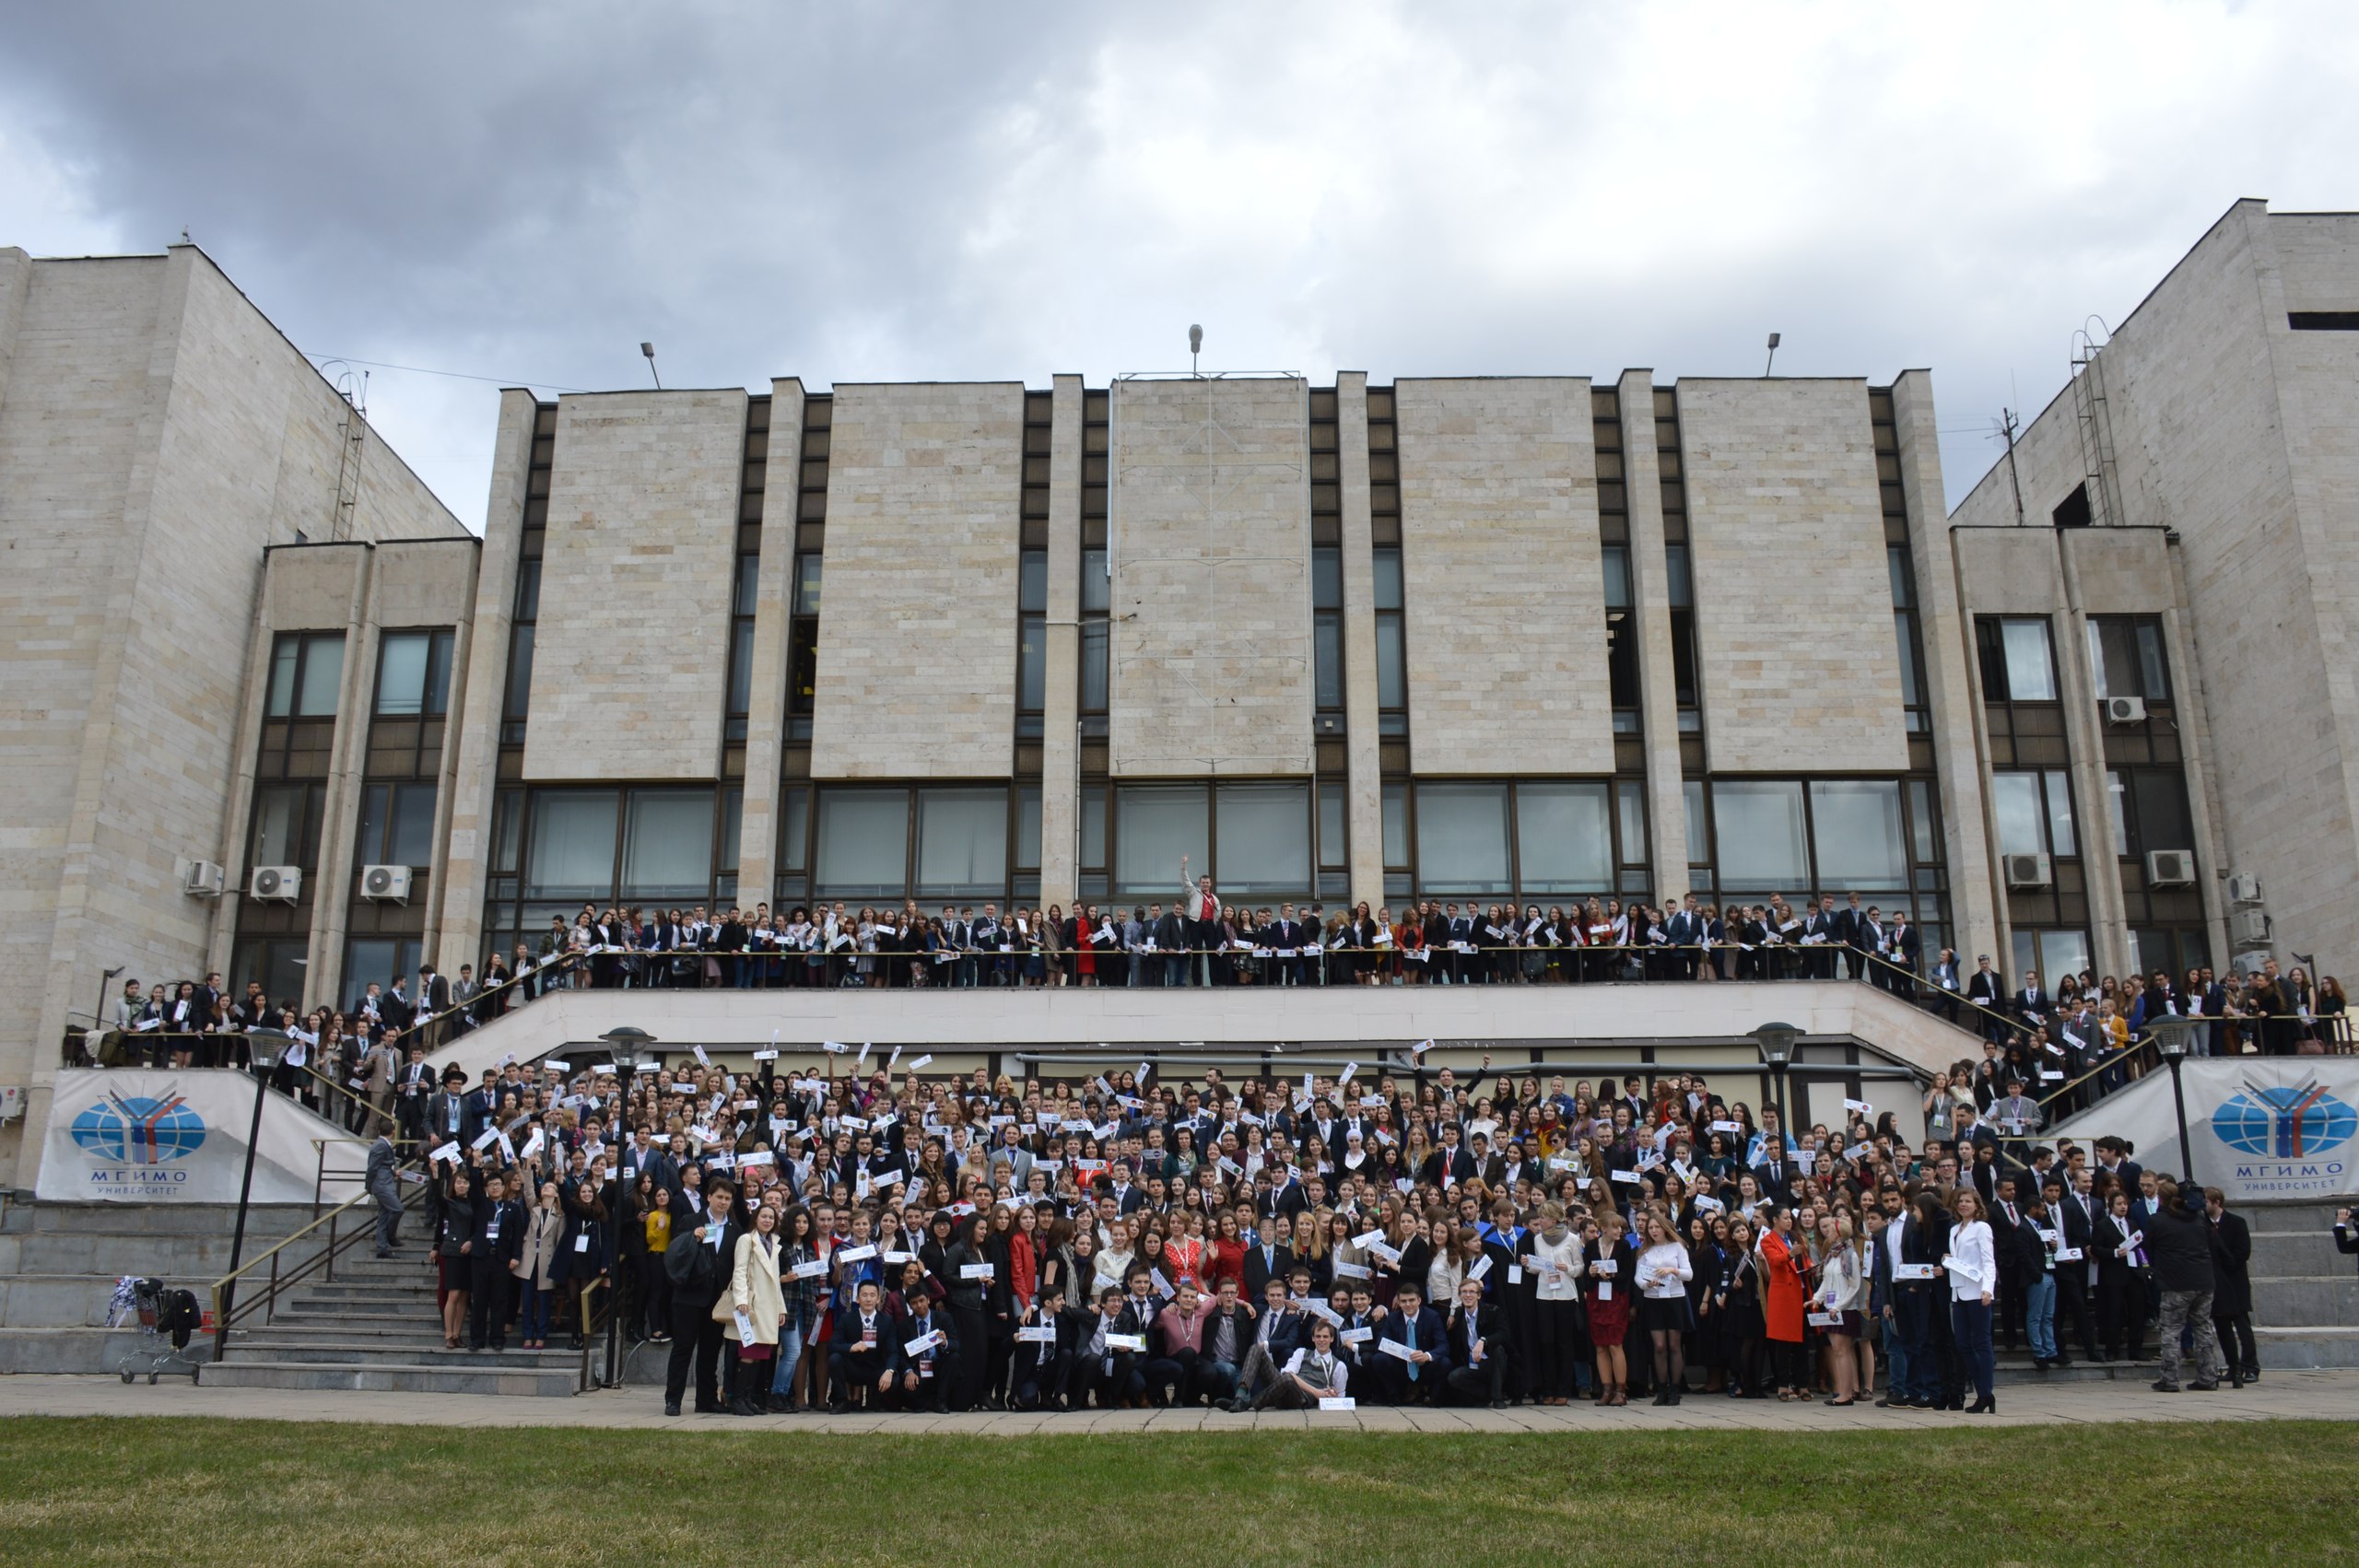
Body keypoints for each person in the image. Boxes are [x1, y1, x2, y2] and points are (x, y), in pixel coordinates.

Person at [2145, 1177, 2232, 1393]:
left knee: (2171, 1330)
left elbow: (2148, 1246)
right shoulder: (2199, 1219)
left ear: (2161, 1199)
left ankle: (2170, 1378)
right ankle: (2208, 1376)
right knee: (2203, 1329)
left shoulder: (2158, 1221)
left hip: (2175, 1283)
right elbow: (2212, 1244)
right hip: (2203, 1280)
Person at [663, 1179, 742, 1416]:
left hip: (717, 1300)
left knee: (710, 1351)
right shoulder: (690, 1221)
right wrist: (692, 1237)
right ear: (709, 1197)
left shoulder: (735, 1229)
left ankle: (706, 1400)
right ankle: (673, 1400)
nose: (723, 1202)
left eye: (727, 1199)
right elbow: (675, 1253)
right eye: (719, 1197)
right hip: (689, 1296)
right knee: (683, 1349)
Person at [1634, 1210, 1694, 1406]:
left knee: (1674, 1345)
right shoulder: (1645, 1251)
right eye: (1650, 1228)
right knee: (1659, 1346)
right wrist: (1647, 1284)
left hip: (1675, 1297)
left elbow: (1688, 1274)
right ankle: (1661, 1388)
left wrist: (1673, 1270)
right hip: (1653, 1299)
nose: (1653, 1231)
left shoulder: (1677, 1247)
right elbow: (1638, 1277)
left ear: (1665, 1228)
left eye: (1657, 1227)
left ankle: (1675, 1388)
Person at [1947, 1187, 1998, 1413]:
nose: (1963, 1205)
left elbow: (1988, 1261)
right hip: (1958, 1291)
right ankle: (1983, 1391)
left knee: (1981, 1342)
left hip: (1977, 1292)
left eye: (1968, 1201)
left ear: (1977, 1205)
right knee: (1963, 1344)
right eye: (1960, 1201)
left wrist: (1988, 1289)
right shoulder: (1954, 1230)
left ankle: (1985, 1392)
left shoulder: (1981, 1228)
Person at [2205, 1188, 2258, 1385]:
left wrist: (2226, 1264)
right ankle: (2233, 1366)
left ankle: (2250, 1366)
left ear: (2216, 1202)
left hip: (2235, 1281)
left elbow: (2243, 1251)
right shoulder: (2204, 1224)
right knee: (2222, 1325)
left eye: (2206, 1202)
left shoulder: (2236, 1222)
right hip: (2217, 1283)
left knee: (2242, 1325)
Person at [366, 1130, 405, 1258]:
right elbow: (373, 1167)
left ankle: (382, 1248)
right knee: (398, 1209)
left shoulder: (381, 1144)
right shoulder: (381, 1145)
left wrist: (393, 1173)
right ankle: (390, 1236)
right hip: (382, 1185)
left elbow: (382, 1165)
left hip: (384, 1183)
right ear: (393, 1132)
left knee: (384, 1216)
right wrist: (368, 1185)